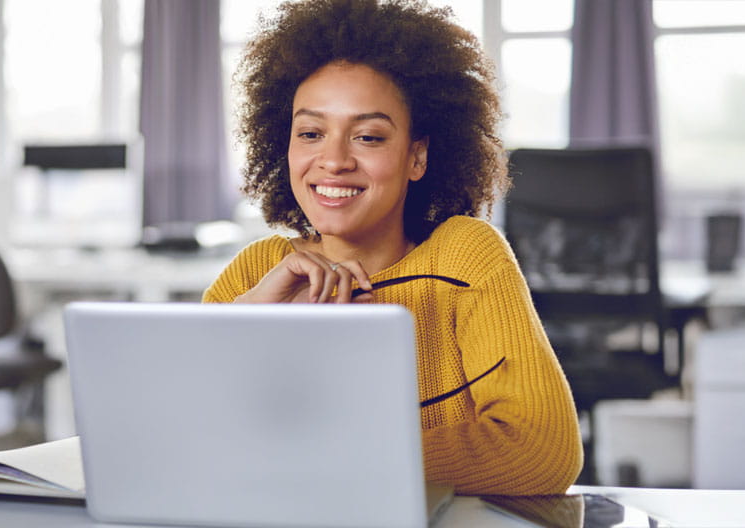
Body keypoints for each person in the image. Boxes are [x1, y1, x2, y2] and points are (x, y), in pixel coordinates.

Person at [202, 0, 582, 495]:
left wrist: (323, 462)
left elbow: (540, 449)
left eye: (368, 136)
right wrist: (245, 325)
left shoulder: (465, 257)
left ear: (416, 157)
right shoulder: (255, 273)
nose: (333, 160)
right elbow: (185, 444)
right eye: (311, 132)